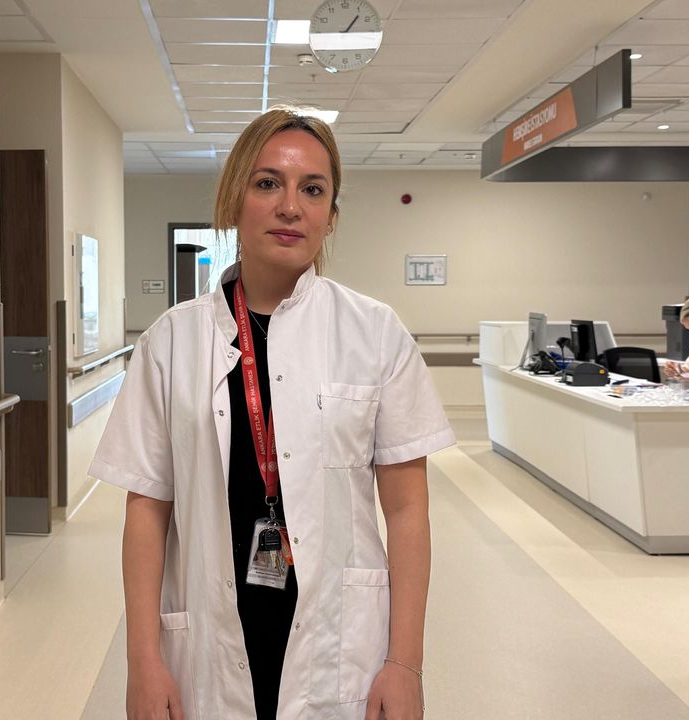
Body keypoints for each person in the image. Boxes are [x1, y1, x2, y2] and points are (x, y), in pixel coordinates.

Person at [89, 106, 453, 720]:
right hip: (209, 637)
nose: (290, 207)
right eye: (267, 183)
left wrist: (405, 663)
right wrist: (143, 660)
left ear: (331, 216)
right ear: (235, 199)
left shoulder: (374, 333)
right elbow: (147, 510)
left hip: (340, 638)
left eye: (313, 189)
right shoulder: (171, 342)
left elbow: (407, 509)